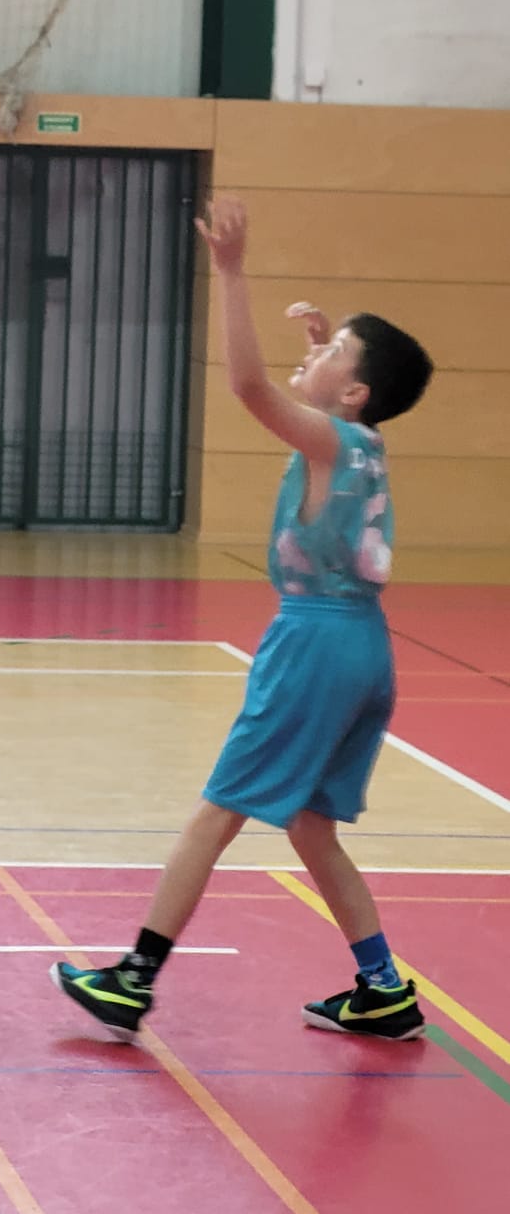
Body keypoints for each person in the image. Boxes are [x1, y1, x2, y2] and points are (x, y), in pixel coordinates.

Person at [53, 198, 433, 1044]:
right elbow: (329, 408)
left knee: (216, 813)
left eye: (333, 353)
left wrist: (229, 272)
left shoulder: (332, 440)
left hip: (315, 641)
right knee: (310, 825)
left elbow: (248, 387)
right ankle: (383, 988)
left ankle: (132, 981)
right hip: (364, 647)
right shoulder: (359, 441)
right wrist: (326, 354)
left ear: (355, 392)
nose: (317, 354)